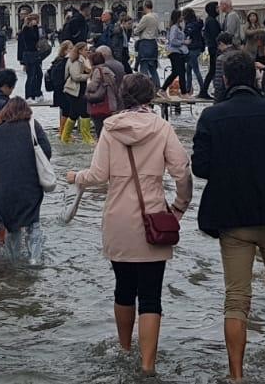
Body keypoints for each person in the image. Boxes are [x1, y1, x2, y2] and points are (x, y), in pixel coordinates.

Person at [192, 51, 265, 380]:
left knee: (236, 298)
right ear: (254, 78)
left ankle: (236, 375)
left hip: (234, 219)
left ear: (226, 80)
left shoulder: (211, 117)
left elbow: (200, 167)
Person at [65, 73, 192, 376]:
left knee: (123, 288)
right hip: (153, 220)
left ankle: (124, 349)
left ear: (123, 96)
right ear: (151, 97)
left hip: (118, 219)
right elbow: (183, 173)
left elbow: (97, 175)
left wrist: (74, 177)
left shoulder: (110, 128)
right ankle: (147, 365)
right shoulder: (163, 128)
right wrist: (178, 209)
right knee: (151, 295)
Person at [0, 97, 52, 263]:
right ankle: (35, 260)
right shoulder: (33, 126)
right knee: (33, 223)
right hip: (29, 186)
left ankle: (13, 263)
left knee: (12, 226)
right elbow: (46, 152)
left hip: (3, 187)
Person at [60, 41, 95, 145]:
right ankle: (87, 137)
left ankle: (65, 137)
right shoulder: (76, 61)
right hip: (74, 91)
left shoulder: (83, 60)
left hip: (78, 90)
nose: (87, 51)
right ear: (79, 51)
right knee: (84, 112)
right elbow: (76, 76)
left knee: (74, 113)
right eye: (85, 50)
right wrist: (88, 76)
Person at [84, 47, 120, 137]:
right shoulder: (108, 70)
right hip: (110, 103)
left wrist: (87, 83)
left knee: (99, 129)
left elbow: (93, 87)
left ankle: (101, 147)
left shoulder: (97, 71)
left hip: (99, 103)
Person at [18, 13, 45, 101]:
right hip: (29, 54)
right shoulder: (25, 29)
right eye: (37, 20)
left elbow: (36, 38)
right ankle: (29, 95)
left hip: (34, 54)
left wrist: (35, 27)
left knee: (39, 74)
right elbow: (31, 40)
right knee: (31, 75)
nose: (38, 21)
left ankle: (37, 93)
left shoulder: (33, 28)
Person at [132, 1, 161, 84]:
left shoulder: (146, 17)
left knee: (143, 69)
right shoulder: (156, 16)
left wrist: (135, 28)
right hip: (153, 44)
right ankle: (157, 88)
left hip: (145, 44)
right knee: (153, 70)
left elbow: (137, 30)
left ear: (145, 7)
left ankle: (144, 89)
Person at [161, 9, 188, 94]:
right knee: (181, 72)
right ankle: (183, 92)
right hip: (175, 52)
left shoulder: (177, 27)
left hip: (177, 52)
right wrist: (183, 42)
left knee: (177, 72)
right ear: (177, 17)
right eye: (181, 16)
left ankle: (163, 89)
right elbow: (172, 40)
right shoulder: (174, 27)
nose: (182, 17)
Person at [199, 2, 222, 99]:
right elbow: (215, 35)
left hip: (213, 47)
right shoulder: (212, 21)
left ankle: (204, 90)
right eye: (216, 8)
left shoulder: (210, 20)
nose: (218, 10)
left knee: (212, 70)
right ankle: (204, 91)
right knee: (213, 70)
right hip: (214, 48)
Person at [183, 7, 206, 93]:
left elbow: (186, 35)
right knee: (188, 69)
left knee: (196, 70)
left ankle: (203, 89)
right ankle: (188, 89)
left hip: (192, 48)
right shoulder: (197, 23)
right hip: (197, 48)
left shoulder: (190, 25)